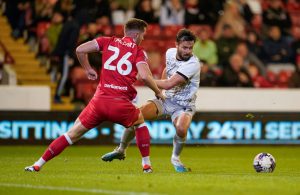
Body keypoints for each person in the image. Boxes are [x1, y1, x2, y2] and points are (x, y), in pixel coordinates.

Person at [25, 18, 164, 173]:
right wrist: (158, 92)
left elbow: (80, 50)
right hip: (120, 103)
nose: (143, 38)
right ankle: (146, 165)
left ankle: (37, 164)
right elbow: (145, 76)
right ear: (137, 34)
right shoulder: (138, 52)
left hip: (99, 102)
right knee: (140, 122)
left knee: (72, 133)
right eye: (143, 35)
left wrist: (88, 68)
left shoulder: (107, 41)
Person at [101, 29, 201, 173]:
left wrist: (146, 80)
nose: (188, 51)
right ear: (176, 45)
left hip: (184, 105)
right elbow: (167, 69)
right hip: (167, 99)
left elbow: (168, 83)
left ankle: (175, 158)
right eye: (184, 47)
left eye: (190, 48)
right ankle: (121, 150)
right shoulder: (170, 53)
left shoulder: (193, 64)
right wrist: (158, 92)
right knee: (135, 116)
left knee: (181, 129)